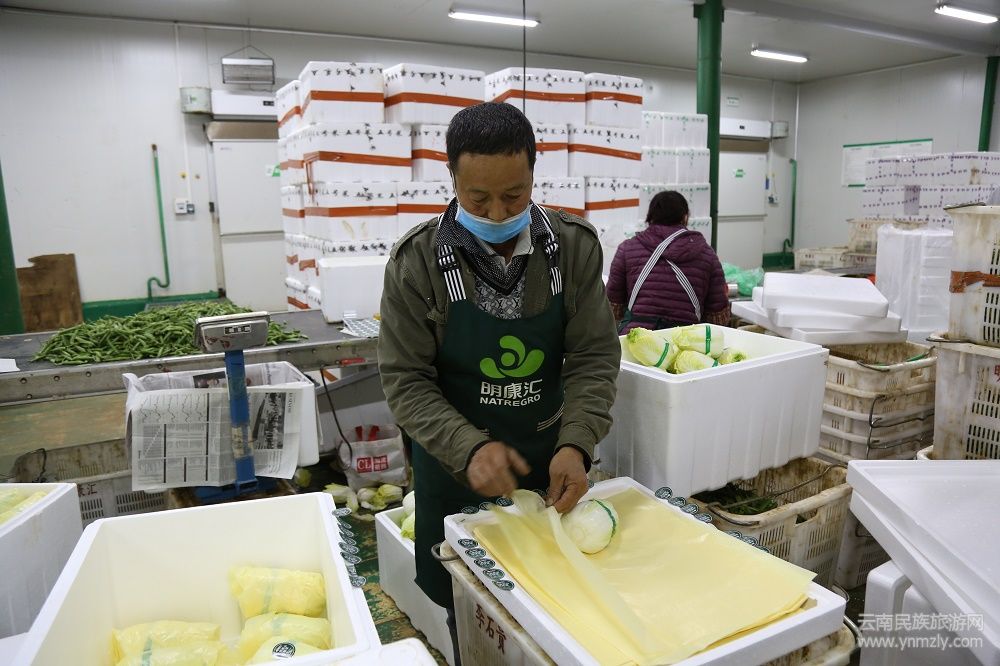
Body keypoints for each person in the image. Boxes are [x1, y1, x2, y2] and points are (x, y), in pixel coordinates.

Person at [378, 102, 621, 647]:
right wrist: (467, 448)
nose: (495, 213)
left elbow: (593, 356)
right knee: (472, 616)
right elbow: (405, 380)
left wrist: (577, 442)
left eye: (513, 195)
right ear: (451, 179)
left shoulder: (572, 250)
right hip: (453, 469)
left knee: (553, 608)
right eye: (477, 198)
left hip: (546, 460)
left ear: (534, 172)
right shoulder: (418, 264)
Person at [606, 190, 730, 333]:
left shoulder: (627, 249)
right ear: (685, 217)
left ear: (650, 216)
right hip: (684, 340)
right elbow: (717, 316)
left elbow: (613, 305)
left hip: (637, 337)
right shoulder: (706, 253)